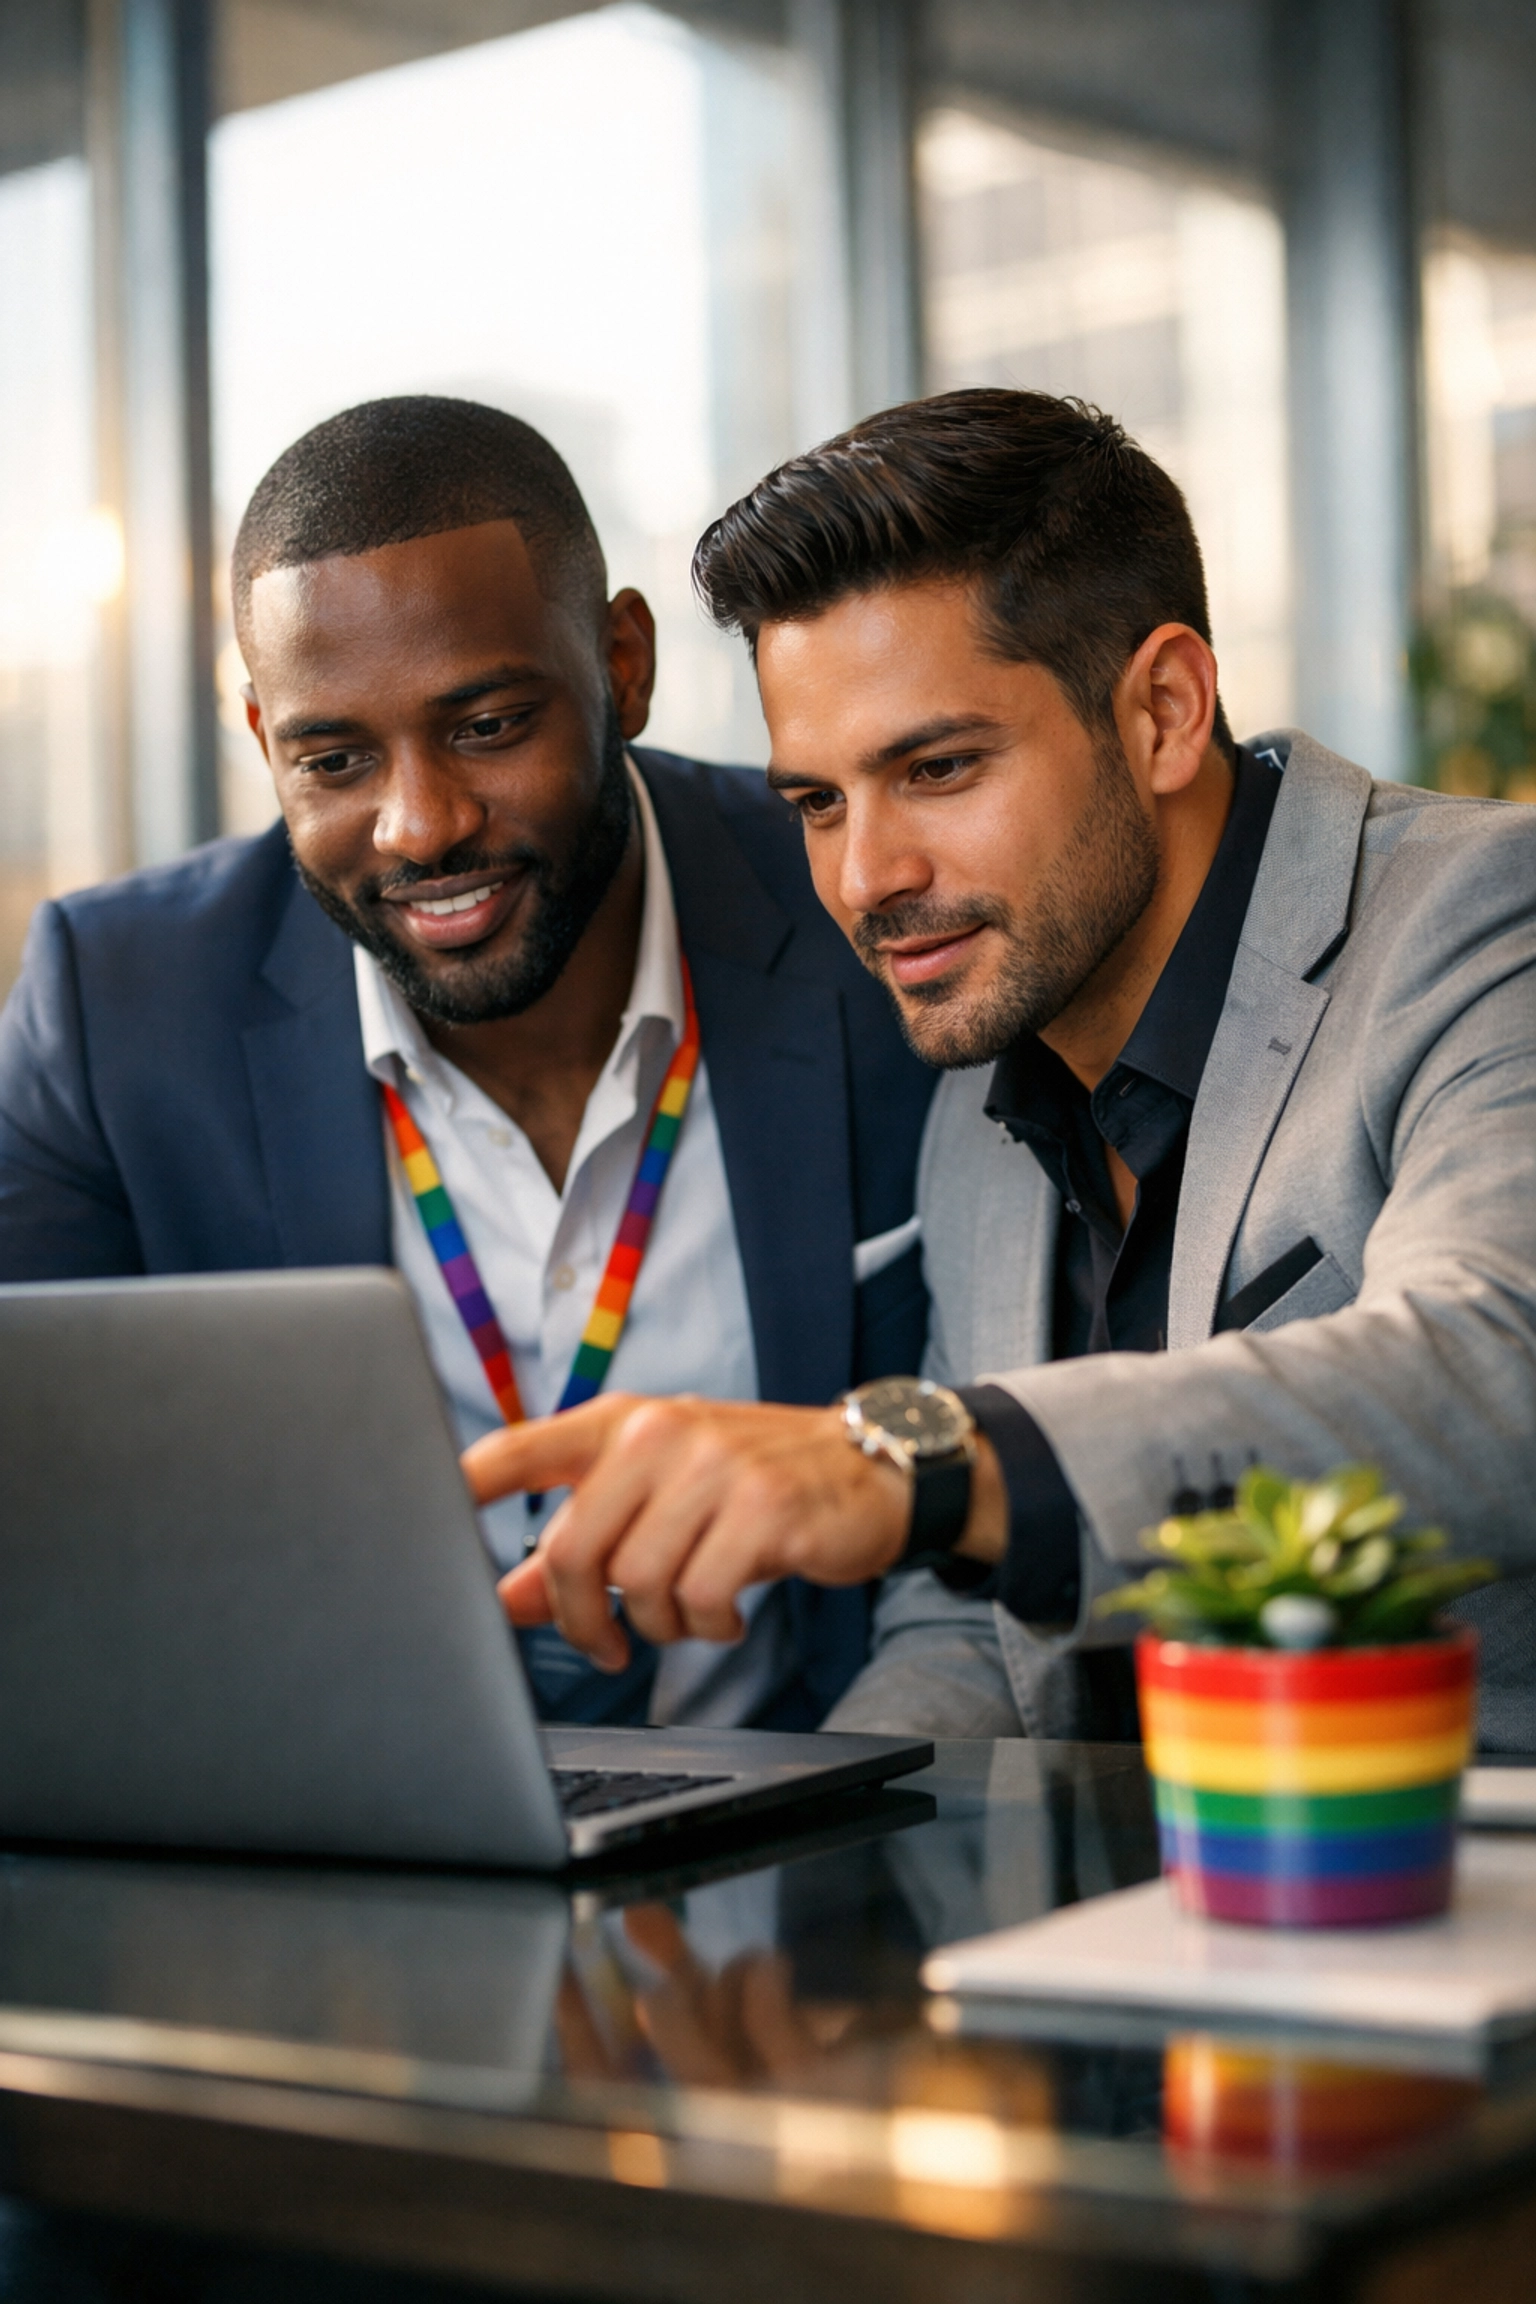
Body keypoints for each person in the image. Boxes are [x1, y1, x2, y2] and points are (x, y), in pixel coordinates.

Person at [468, 388, 1536, 1751]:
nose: (867, 880)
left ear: (1161, 709)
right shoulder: (982, 1090)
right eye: (817, 802)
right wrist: (778, 1876)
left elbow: (1499, 1365)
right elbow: (968, 1630)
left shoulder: (1486, 916)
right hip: (1125, 1936)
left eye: (940, 768)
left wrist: (922, 1460)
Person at [0, 395, 937, 1733]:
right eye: (333, 757)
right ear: (265, 740)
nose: (420, 825)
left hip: (833, 1838)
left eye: (488, 726)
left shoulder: (864, 915)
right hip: (342, 1865)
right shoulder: (119, 1006)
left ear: (622, 663)